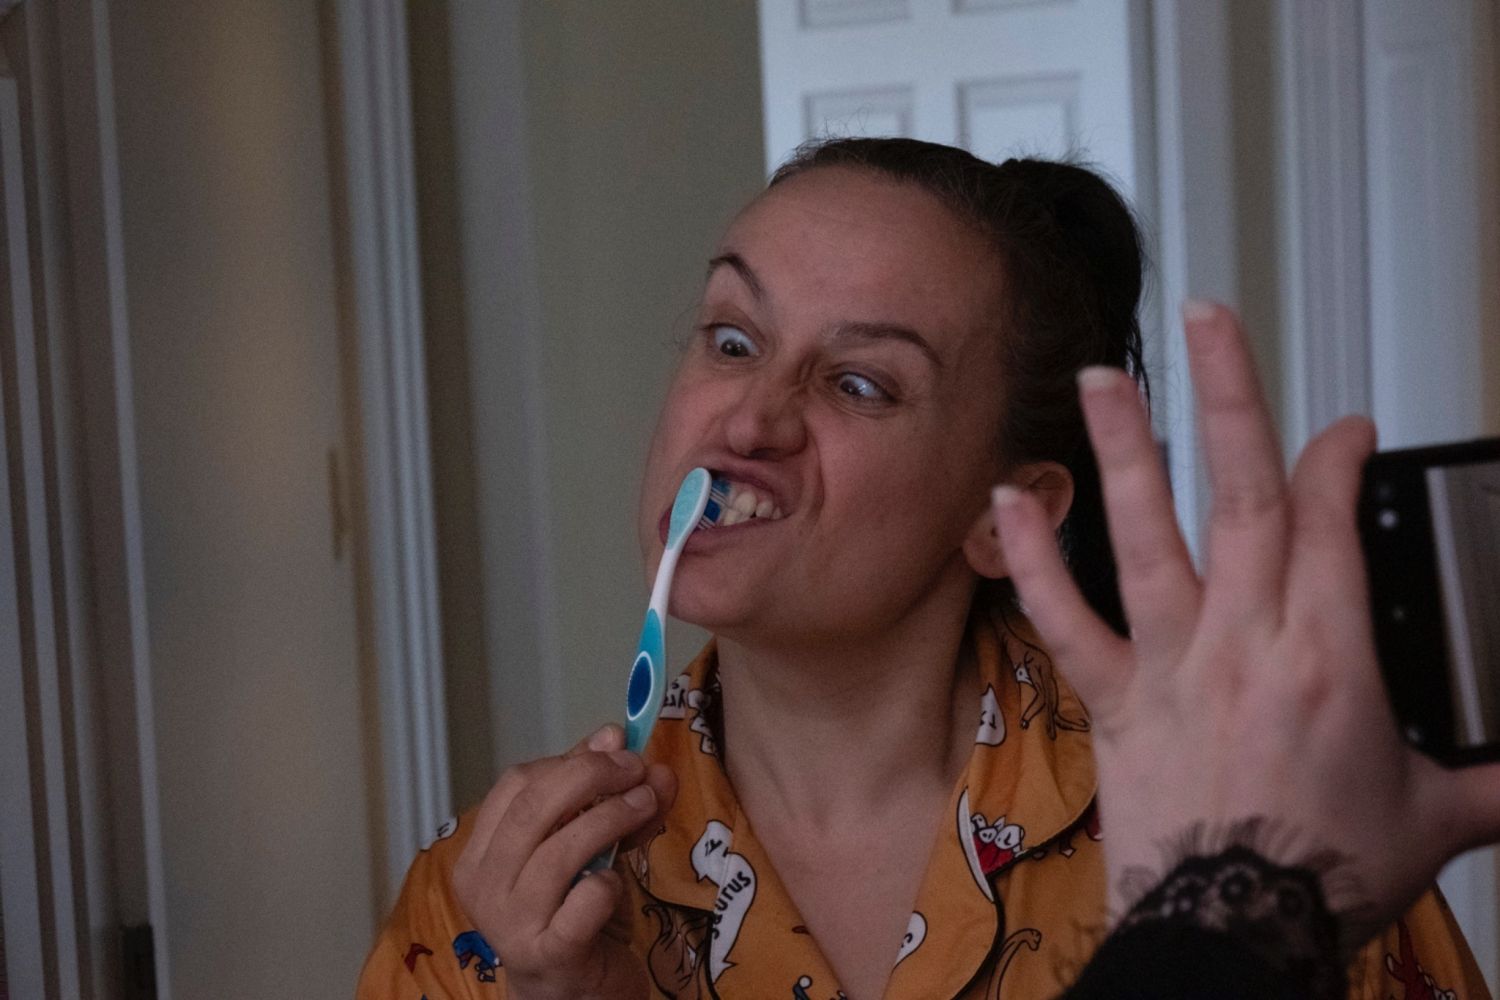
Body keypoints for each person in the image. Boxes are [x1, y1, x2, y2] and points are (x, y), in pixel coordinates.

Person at [356, 138, 1492, 999]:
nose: (749, 419)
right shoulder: (489, 910)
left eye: (860, 383)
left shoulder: (1253, 833)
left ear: (1008, 516)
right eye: (734, 340)